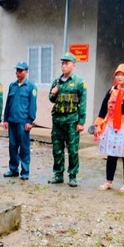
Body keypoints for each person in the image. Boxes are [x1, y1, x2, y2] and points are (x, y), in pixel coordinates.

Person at [94, 63, 124, 194]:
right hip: (111, 125)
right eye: (117, 75)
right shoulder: (112, 90)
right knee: (111, 155)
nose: (120, 77)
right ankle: (108, 181)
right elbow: (103, 108)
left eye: (122, 75)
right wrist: (98, 124)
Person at [48, 52, 87, 187]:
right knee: (57, 148)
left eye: (67, 63)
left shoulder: (79, 82)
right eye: (62, 63)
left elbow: (82, 103)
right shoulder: (57, 81)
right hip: (58, 120)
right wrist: (53, 93)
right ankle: (58, 174)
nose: (63, 66)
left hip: (72, 120)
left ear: (73, 65)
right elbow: (51, 99)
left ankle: (72, 176)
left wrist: (81, 122)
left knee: (72, 149)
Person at [3, 61, 37, 180]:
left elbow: (32, 105)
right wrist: (5, 118)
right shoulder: (12, 86)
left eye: (21, 70)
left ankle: (25, 171)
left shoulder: (31, 87)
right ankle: (13, 169)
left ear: (26, 72)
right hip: (12, 121)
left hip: (23, 122)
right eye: (17, 70)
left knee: (24, 147)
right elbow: (8, 103)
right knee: (12, 146)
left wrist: (30, 121)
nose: (18, 73)